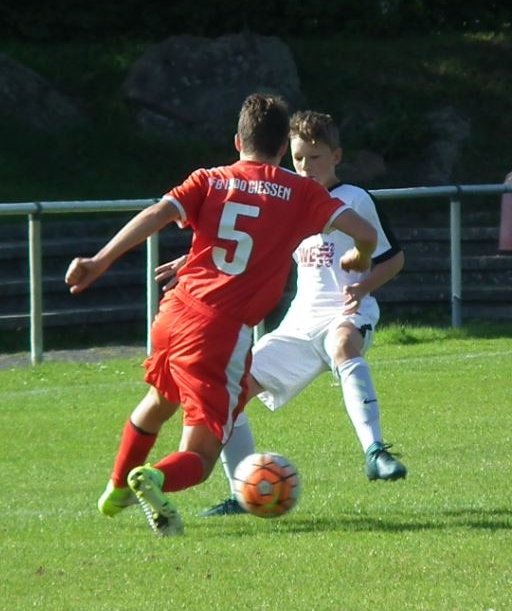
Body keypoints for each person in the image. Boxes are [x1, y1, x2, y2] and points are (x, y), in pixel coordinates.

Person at [64, 94, 377, 537]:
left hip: (174, 313)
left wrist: (99, 261)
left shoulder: (210, 179)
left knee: (160, 401)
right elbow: (365, 233)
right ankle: (151, 478)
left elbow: (157, 213)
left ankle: (115, 489)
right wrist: (360, 256)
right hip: (220, 332)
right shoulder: (301, 191)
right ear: (283, 148)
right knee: (203, 454)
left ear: (237, 141)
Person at [159, 110, 407, 518]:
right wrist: (190, 260)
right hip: (298, 323)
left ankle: (375, 452)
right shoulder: (291, 198)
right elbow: (248, 240)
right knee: (231, 394)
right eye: (298, 158)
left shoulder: (355, 199)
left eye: (315, 157)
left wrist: (362, 287)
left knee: (344, 344)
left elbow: (393, 259)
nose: (306, 166)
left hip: (346, 311)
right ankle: (244, 492)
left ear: (337, 156)